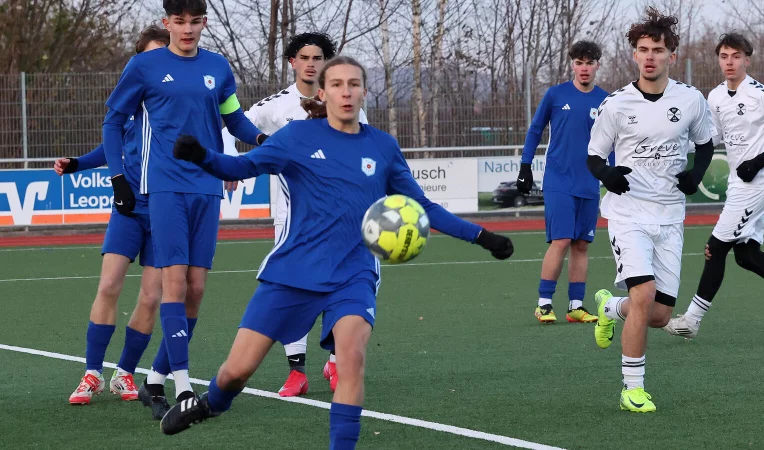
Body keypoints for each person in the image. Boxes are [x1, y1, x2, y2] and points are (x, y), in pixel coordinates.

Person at [157, 56, 514, 448]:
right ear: (322, 93)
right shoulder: (295, 138)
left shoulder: (382, 146)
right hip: (293, 271)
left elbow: (423, 208)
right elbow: (241, 167)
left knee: (351, 360)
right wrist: (202, 157)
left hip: (353, 274)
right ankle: (212, 404)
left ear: (364, 92)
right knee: (235, 373)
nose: (347, 91)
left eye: (355, 84)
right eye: (338, 84)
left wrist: (482, 236)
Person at [101, 0, 267, 418]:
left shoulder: (219, 66)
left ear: (204, 23)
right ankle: (183, 387)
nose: (188, 29)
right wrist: (119, 178)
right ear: (166, 23)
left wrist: (266, 141)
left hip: (208, 187)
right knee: (173, 286)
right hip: (166, 188)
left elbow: (235, 122)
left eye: (195, 22)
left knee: (195, 290)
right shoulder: (144, 66)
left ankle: (153, 380)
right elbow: (111, 123)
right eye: (180, 22)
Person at [221, 31, 367, 397]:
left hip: (341, 219)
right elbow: (231, 126)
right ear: (293, 62)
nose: (311, 64)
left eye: (318, 58)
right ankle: (296, 372)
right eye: (304, 57)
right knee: (295, 289)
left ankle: (334, 360)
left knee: (340, 289)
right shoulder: (275, 106)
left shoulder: (348, 102)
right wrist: (231, 165)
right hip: (291, 217)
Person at [586, 7, 715, 412]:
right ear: (634, 55)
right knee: (643, 296)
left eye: (658, 50)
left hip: (670, 215)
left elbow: (706, 143)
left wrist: (696, 174)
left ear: (671, 56)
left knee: (658, 314)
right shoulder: (616, 104)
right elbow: (593, 156)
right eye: (643, 49)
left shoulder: (691, 100)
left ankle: (608, 307)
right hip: (627, 215)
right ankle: (632, 389)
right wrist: (607, 175)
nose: (650, 56)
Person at [664, 33, 764, 338]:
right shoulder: (715, 97)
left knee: (715, 248)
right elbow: (714, 137)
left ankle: (692, 320)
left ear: (747, 60)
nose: (729, 62)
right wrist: (681, 145)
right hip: (739, 186)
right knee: (747, 256)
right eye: (724, 56)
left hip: (759, 184)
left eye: (736, 56)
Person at [63, 24, 170, 406]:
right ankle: (92, 372)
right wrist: (78, 163)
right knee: (108, 285)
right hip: (128, 208)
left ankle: (124, 373)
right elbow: (112, 147)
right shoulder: (130, 104)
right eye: (151, 56)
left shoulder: (176, 106)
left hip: (165, 209)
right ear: (138, 60)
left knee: (151, 296)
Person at [517, 40, 608, 324]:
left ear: (597, 66)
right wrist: (525, 165)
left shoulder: (606, 100)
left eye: (589, 63)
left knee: (581, 244)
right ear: (572, 65)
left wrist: (614, 173)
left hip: (590, 183)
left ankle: (575, 307)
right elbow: (535, 130)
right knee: (562, 240)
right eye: (579, 63)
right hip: (558, 180)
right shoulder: (556, 95)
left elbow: (612, 141)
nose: (584, 68)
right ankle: (544, 303)